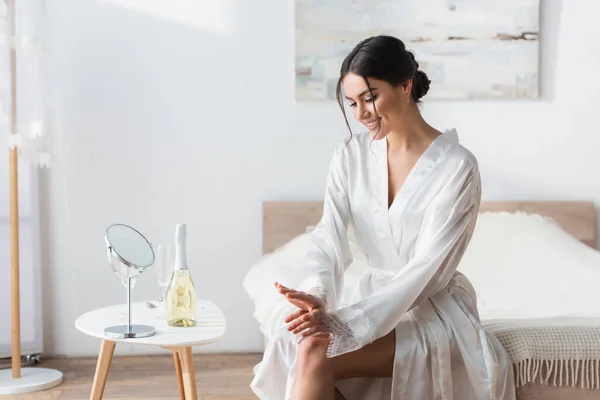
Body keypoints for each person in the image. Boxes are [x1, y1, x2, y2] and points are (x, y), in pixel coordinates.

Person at [250, 35, 516, 400]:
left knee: (315, 350)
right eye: (352, 103)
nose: (361, 114)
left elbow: (427, 271)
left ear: (405, 85)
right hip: (368, 298)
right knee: (293, 340)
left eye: (370, 97)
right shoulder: (350, 155)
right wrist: (317, 296)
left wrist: (349, 324)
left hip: (427, 312)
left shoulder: (457, 167)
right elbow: (329, 235)